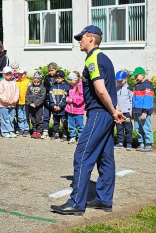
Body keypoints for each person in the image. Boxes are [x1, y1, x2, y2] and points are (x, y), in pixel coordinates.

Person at [51, 25, 125, 216]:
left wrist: (111, 110)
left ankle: (76, 203)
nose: (79, 41)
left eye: (81, 37)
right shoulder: (106, 59)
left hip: (99, 114)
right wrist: (115, 110)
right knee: (105, 158)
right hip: (106, 113)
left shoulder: (93, 58)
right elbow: (109, 88)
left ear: (91, 38)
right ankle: (104, 199)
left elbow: (101, 90)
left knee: (82, 155)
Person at [131, 67, 154, 152]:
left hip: (143, 112)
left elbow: (148, 100)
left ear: (143, 75)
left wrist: (145, 112)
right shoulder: (137, 86)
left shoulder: (147, 85)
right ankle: (141, 143)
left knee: (146, 127)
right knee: (138, 128)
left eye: (137, 76)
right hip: (136, 111)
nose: (135, 78)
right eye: (134, 76)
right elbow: (134, 99)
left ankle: (148, 144)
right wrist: (132, 112)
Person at [0, 66, 19, 138]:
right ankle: (5, 131)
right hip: (4, 105)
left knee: (11, 118)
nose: (8, 75)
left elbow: (17, 92)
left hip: (12, 104)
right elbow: (1, 94)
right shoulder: (1, 83)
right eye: (6, 74)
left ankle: (11, 130)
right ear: (3, 74)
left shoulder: (14, 83)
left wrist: (14, 100)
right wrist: (7, 101)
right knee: (4, 118)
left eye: (10, 74)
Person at [114, 70, 133, 150]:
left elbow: (132, 100)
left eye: (121, 80)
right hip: (119, 112)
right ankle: (120, 142)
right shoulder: (116, 89)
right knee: (119, 128)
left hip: (127, 112)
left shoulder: (129, 89)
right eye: (117, 81)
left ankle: (129, 143)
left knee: (128, 128)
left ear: (125, 79)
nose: (119, 82)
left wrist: (131, 111)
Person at [49, 70, 69, 141]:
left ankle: (65, 134)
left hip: (63, 109)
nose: (57, 79)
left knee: (64, 122)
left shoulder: (66, 87)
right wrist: (53, 105)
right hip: (54, 108)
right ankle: (56, 133)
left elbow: (65, 98)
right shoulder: (53, 87)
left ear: (63, 78)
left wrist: (60, 106)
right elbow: (51, 97)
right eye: (56, 78)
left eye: (59, 78)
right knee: (55, 122)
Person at [65, 72, 85, 144]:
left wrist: (73, 100)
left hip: (78, 110)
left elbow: (82, 98)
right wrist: (67, 99)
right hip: (70, 109)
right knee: (71, 125)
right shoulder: (71, 86)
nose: (70, 82)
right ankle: (72, 136)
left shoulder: (80, 86)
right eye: (69, 80)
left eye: (71, 80)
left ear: (76, 79)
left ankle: (80, 137)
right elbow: (69, 95)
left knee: (80, 125)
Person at [25, 71, 46, 139]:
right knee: (33, 119)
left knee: (39, 119)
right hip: (31, 106)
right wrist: (30, 103)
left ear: (40, 81)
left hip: (38, 107)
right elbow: (27, 95)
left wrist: (36, 104)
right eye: (35, 82)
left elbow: (42, 97)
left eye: (38, 82)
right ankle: (34, 130)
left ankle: (39, 131)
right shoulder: (30, 87)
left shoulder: (42, 88)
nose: (36, 83)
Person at [41, 62, 59, 139]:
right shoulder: (46, 78)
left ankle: (56, 132)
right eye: (49, 70)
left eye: (52, 70)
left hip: (56, 101)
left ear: (56, 69)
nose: (50, 72)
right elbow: (44, 89)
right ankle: (45, 131)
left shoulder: (58, 78)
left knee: (56, 118)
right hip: (47, 100)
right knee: (46, 117)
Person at [16, 67, 31, 136]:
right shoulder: (16, 82)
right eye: (19, 74)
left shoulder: (28, 82)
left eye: (22, 74)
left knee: (25, 116)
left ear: (25, 74)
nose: (20, 76)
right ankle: (21, 128)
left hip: (25, 102)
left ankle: (26, 129)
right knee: (19, 116)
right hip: (18, 102)